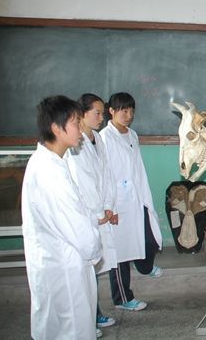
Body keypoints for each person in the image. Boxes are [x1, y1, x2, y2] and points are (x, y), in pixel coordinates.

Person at [22, 95, 101, 339]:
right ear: (57, 128)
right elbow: (77, 227)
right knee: (72, 330)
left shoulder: (52, 162)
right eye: (76, 123)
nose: (80, 129)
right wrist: (94, 249)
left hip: (59, 263)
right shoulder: (49, 172)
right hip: (65, 267)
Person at [100, 92, 163, 311]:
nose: (129, 115)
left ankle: (145, 266)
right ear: (111, 111)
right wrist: (110, 206)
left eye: (131, 111)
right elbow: (106, 174)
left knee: (149, 237)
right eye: (124, 111)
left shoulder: (132, 134)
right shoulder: (105, 138)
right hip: (118, 202)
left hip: (137, 196)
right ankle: (123, 298)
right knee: (120, 253)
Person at [65, 94, 118, 331]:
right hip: (87, 213)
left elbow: (107, 175)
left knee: (93, 268)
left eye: (102, 113)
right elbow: (83, 182)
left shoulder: (97, 139)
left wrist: (108, 205)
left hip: (101, 212)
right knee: (85, 269)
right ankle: (88, 319)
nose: (101, 117)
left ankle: (94, 316)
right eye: (97, 113)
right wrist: (98, 211)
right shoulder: (76, 145)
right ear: (82, 114)